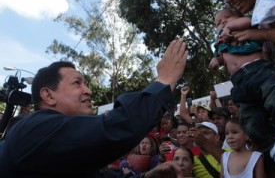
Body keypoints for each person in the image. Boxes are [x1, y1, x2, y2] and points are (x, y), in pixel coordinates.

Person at [0, 39, 188, 177]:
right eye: (77, 83)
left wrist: (147, 176)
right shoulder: (34, 129)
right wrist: (165, 80)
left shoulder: (67, 153)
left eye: (86, 83)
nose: (88, 90)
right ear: (48, 96)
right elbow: (113, 130)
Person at [209, 6, 275, 176]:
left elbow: (252, 20)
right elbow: (222, 57)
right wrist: (216, 61)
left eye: (226, 18)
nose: (222, 23)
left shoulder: (247, 25)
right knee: (251, 123)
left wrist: (233, 25)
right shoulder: (221, 42)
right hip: (239, 83)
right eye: (218, 23)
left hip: (259, 71)